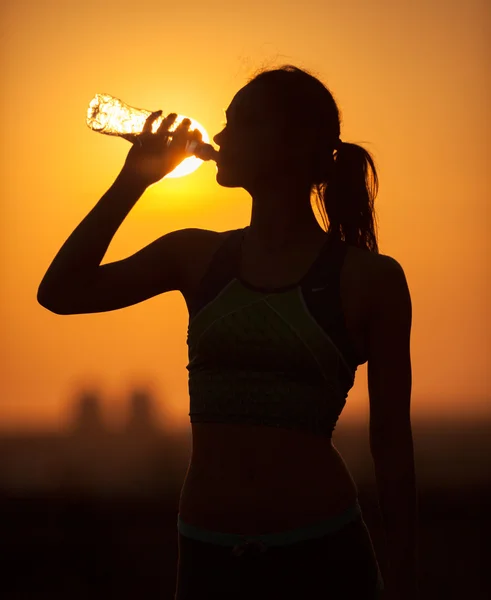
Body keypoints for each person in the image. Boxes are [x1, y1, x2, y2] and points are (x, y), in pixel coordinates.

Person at [38, 64, 419, 599]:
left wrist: (403, 580)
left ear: (295, 142)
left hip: (323, 555)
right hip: (207, 557)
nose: (219, 137)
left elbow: (393, 449)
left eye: (241, 124)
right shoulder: (194, 255)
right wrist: (133, 180)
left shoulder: (370, 279)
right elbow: (61, 292)